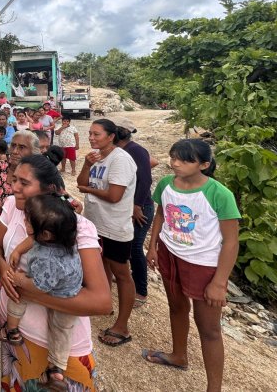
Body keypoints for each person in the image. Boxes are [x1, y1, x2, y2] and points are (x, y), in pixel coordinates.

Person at [0, 155, 112, 391]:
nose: (14, 187)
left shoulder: (76, 227)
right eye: (14, 180)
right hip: (17, 334)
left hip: (53, 343)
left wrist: (27, 290)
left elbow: (102, 303)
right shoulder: (12, 207)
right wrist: (4, 267)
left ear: (49, 190)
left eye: (24, 183)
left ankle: (55, 370)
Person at [143, 140, 240, 392]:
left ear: (204, 165)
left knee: (208, 327)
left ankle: (214, 388)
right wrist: (153, 246)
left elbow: (230, 242)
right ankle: (178, 355)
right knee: (176, 307)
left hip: (203, 265)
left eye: (185, 159)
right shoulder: (165, 184)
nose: (175, 163)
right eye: (174, 157)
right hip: (170, 253)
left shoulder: (219, 194)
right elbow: (162, 214)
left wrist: (219, 282)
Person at [0, 193, 83, 390]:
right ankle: (13, 331)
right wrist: (18, 250)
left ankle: (56, 370)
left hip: (63, 295)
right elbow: (31, 240)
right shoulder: (52, 233)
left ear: (45, 235)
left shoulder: (49, 259)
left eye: (28, 221)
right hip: (51, 280)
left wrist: (20, 279)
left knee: (61, 330)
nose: (24, 221)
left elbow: (40, 287)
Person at [77, 119, 137, 347]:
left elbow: (114, 196)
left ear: (111, 136)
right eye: (90, 134)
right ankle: (104, 305)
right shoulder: (96, 156)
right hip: (96, 224)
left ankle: (123, 325)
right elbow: (80, 181)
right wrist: (86, 164)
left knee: (122, 273)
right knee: (103, 267)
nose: (92, 138)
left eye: (97, 134)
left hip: (114, 226)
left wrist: (87, 189)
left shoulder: (121, 160)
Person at [0, 130, 40, 367]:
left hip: (30, 254)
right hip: (3, 247)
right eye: (13, 146)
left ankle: (20, 347)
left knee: (24, 303)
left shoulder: (40, 177)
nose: (15, 151)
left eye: (21, 148)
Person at [114, 117, 155, 309]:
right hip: (128, 207)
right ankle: (127, 279)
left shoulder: (136, 150)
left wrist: (137, 206)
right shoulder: (122, 150)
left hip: (141, 207)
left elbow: (145, 180)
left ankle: (141, 291)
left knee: (136, 248)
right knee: (126, 245)